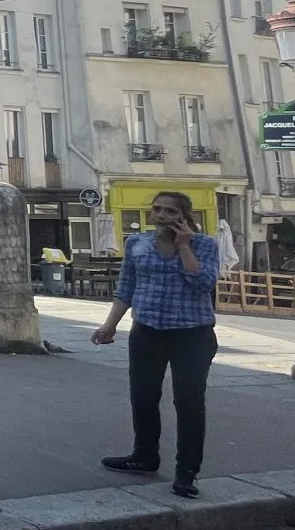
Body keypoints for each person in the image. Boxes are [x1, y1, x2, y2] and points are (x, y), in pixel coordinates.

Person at [91, 190, 222, 499]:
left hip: (192, 334)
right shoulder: (137, 243)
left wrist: (184, 246)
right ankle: (144, 456)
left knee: (189, 403)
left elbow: (205, 283)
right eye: (157, 209)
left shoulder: (205, 245)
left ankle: (187, 472)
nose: (161, 215)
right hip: (147, 331)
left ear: (185, 216)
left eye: (170, 211)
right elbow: (127, 288)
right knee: (143, 396)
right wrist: (109, 326)